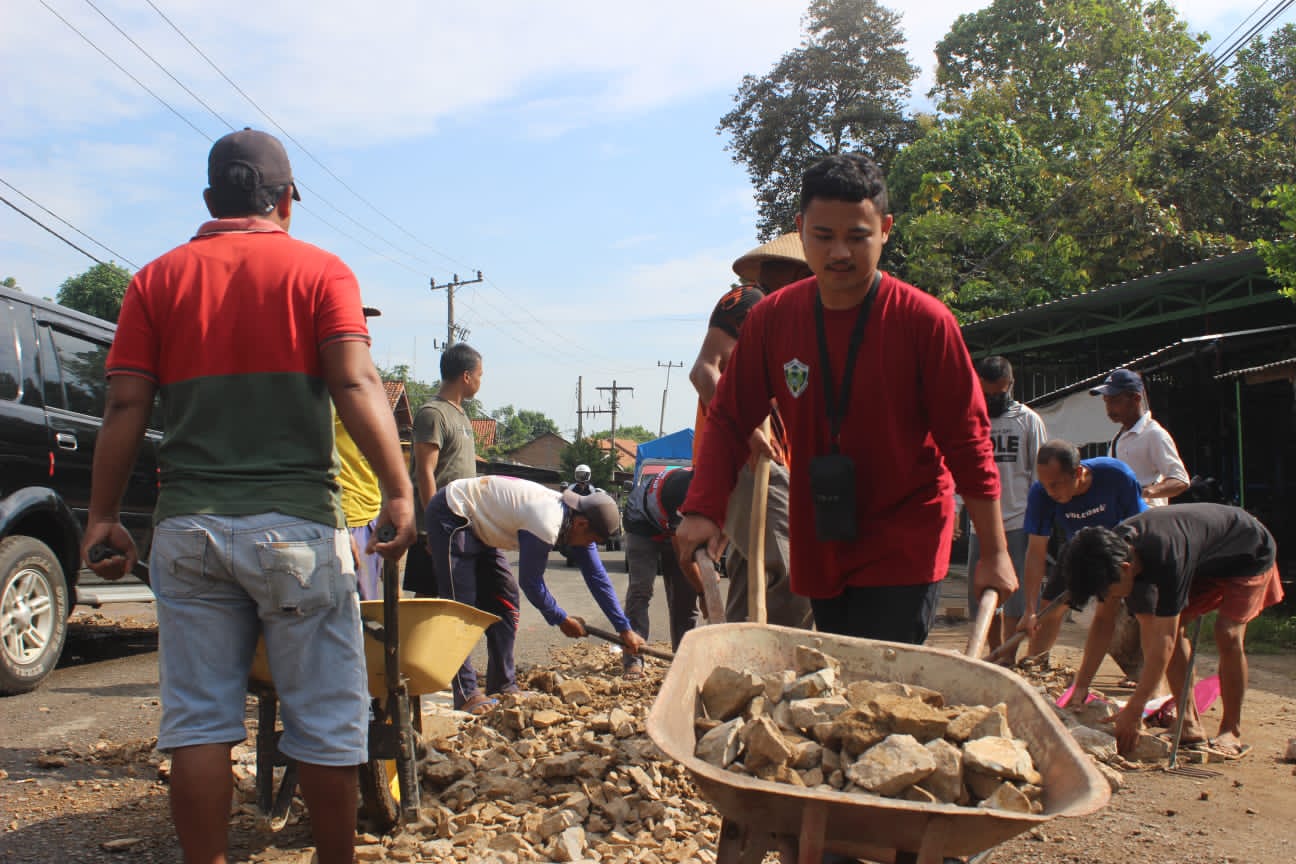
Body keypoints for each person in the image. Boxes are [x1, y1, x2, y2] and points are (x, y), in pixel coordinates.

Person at [81, 128, 415, 864]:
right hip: (296, 527)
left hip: (190, 530)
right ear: (287, 201)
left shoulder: (155, 280)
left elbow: (125, 407)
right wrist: (399, 490)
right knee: (326, 718)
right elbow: (355, 382)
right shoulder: (321, 272)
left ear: (209, 201)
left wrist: (103, 517)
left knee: (198, 723)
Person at [677, 153, 1017, 644]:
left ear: (885, 230)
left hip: (907, 531)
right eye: (824, 236)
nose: (840, 252)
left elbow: (969, 442)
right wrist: (703, 508)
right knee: (836, 668)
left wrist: (995, 551)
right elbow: (729, 418)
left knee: (885, 672)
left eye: (857, 237)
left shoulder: (924, 322)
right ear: (801, 229)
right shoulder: (772, 320)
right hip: (822, 528)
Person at [1058, 504, 1283, 758]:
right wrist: (1081, 687)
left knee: (1227, 633)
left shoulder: (1166, 555)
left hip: (1247, 550)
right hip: (1204, 559)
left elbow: (1164, 640)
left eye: (1107, 591)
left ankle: (1231, 730)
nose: (1108, 598)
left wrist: (1135, 707)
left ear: (1125, 569)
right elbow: (1102, 623)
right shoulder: (1108, 554)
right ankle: (1188, 723)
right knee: (1172, 629)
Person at [427, 476, 645, 712]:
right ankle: (466, 693)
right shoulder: (547, 520)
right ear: (582, 524)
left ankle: (502, 685)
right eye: (592, 539)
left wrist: (624, 628)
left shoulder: (576, 522)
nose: (590, 545)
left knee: (506, 604)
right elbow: (531, 582)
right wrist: (560, 618)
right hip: (453, 513)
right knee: (462, 609)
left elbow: (598, 578)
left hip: (482, 527)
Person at [689, 232, 813, 628]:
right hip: (748, 457)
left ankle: (736, 667)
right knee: (795, 571)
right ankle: (783, 661)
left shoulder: (796, 318)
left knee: (752, 571)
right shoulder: (749, 301)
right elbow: (703, 370)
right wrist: (745, 431)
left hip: (771, 457)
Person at [1019, 441, 1147, 665]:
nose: (1050, 492)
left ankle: (1144, 671)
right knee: (1049, 608)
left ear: (1078, 472)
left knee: (1134, 609)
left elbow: (1140, 527)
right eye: (1045, 484)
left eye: (1056, 485)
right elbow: (1036, 552)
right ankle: (1035, 664)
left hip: (1120, 547)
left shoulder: (1116, 475)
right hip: (1078, 549)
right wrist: (1030, 609)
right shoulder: (1041, 494)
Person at [962, 356, 1046, 661]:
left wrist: (1039, 517)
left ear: (1010, 385)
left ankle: (1008, 655)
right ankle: (992, 653)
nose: (993, 399)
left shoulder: (1027, 420)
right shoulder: (971, 420)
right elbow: (964, 469)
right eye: (987, 394)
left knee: (1015, 597)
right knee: (981, 594)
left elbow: (1039, 472)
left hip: (1019, 518)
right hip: (980, 523)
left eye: (999, 393)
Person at [403, 343, 483, 598]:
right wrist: (432, 526)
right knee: (428, 600)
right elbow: (425, 473)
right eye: (480, 375)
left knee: (456, 599)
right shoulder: (433, 414)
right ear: (466, 376)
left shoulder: (461, 415)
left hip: (460, 525)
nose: (481, 381)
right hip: (437, 527)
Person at [621, 468, 701, 679]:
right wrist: (704, 590)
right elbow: (684, 558)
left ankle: (684, 658)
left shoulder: (715, 496)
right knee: (641, 590)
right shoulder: (682, 493)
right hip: (641, 524)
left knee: (685, 594)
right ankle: (633, 659)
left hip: (669, 520)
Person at [335, 304, 387, 600]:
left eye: (365, 321)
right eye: (356, 320)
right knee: (351, 615)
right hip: (345, 516)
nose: (363, 328)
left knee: (368, 613)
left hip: (369, 514)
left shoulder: (363, 377)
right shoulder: (328, 380)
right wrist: (337, 525)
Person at [1090, 368, 1189, 507]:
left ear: (1136, 398)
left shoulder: (1154, 434)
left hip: (1149, 519)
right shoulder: (1119, 438)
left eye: (1115, 400)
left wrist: (1146, 493)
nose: (1109, 407)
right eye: (1106, 401)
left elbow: (1180, 480)